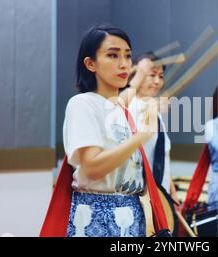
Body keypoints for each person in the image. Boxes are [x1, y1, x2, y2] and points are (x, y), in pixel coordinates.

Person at [62, 25, 158, 237]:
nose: (124, 63)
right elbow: (93, 168)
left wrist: (141, 75)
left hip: (132, 214)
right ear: (90, 63)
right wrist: (141, 136)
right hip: (96, 215)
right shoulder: (82, 104)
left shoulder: (119, 110)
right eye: (113, 55)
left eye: (128, 56)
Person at [126, 52, 180, 205]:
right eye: (152, 75)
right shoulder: (129, 106)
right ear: (136, 75)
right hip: (140, 194)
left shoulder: (154, 108)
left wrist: (172, 193)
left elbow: (163, 156)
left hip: (161, 193)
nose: (157, 81)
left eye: (161, 76)